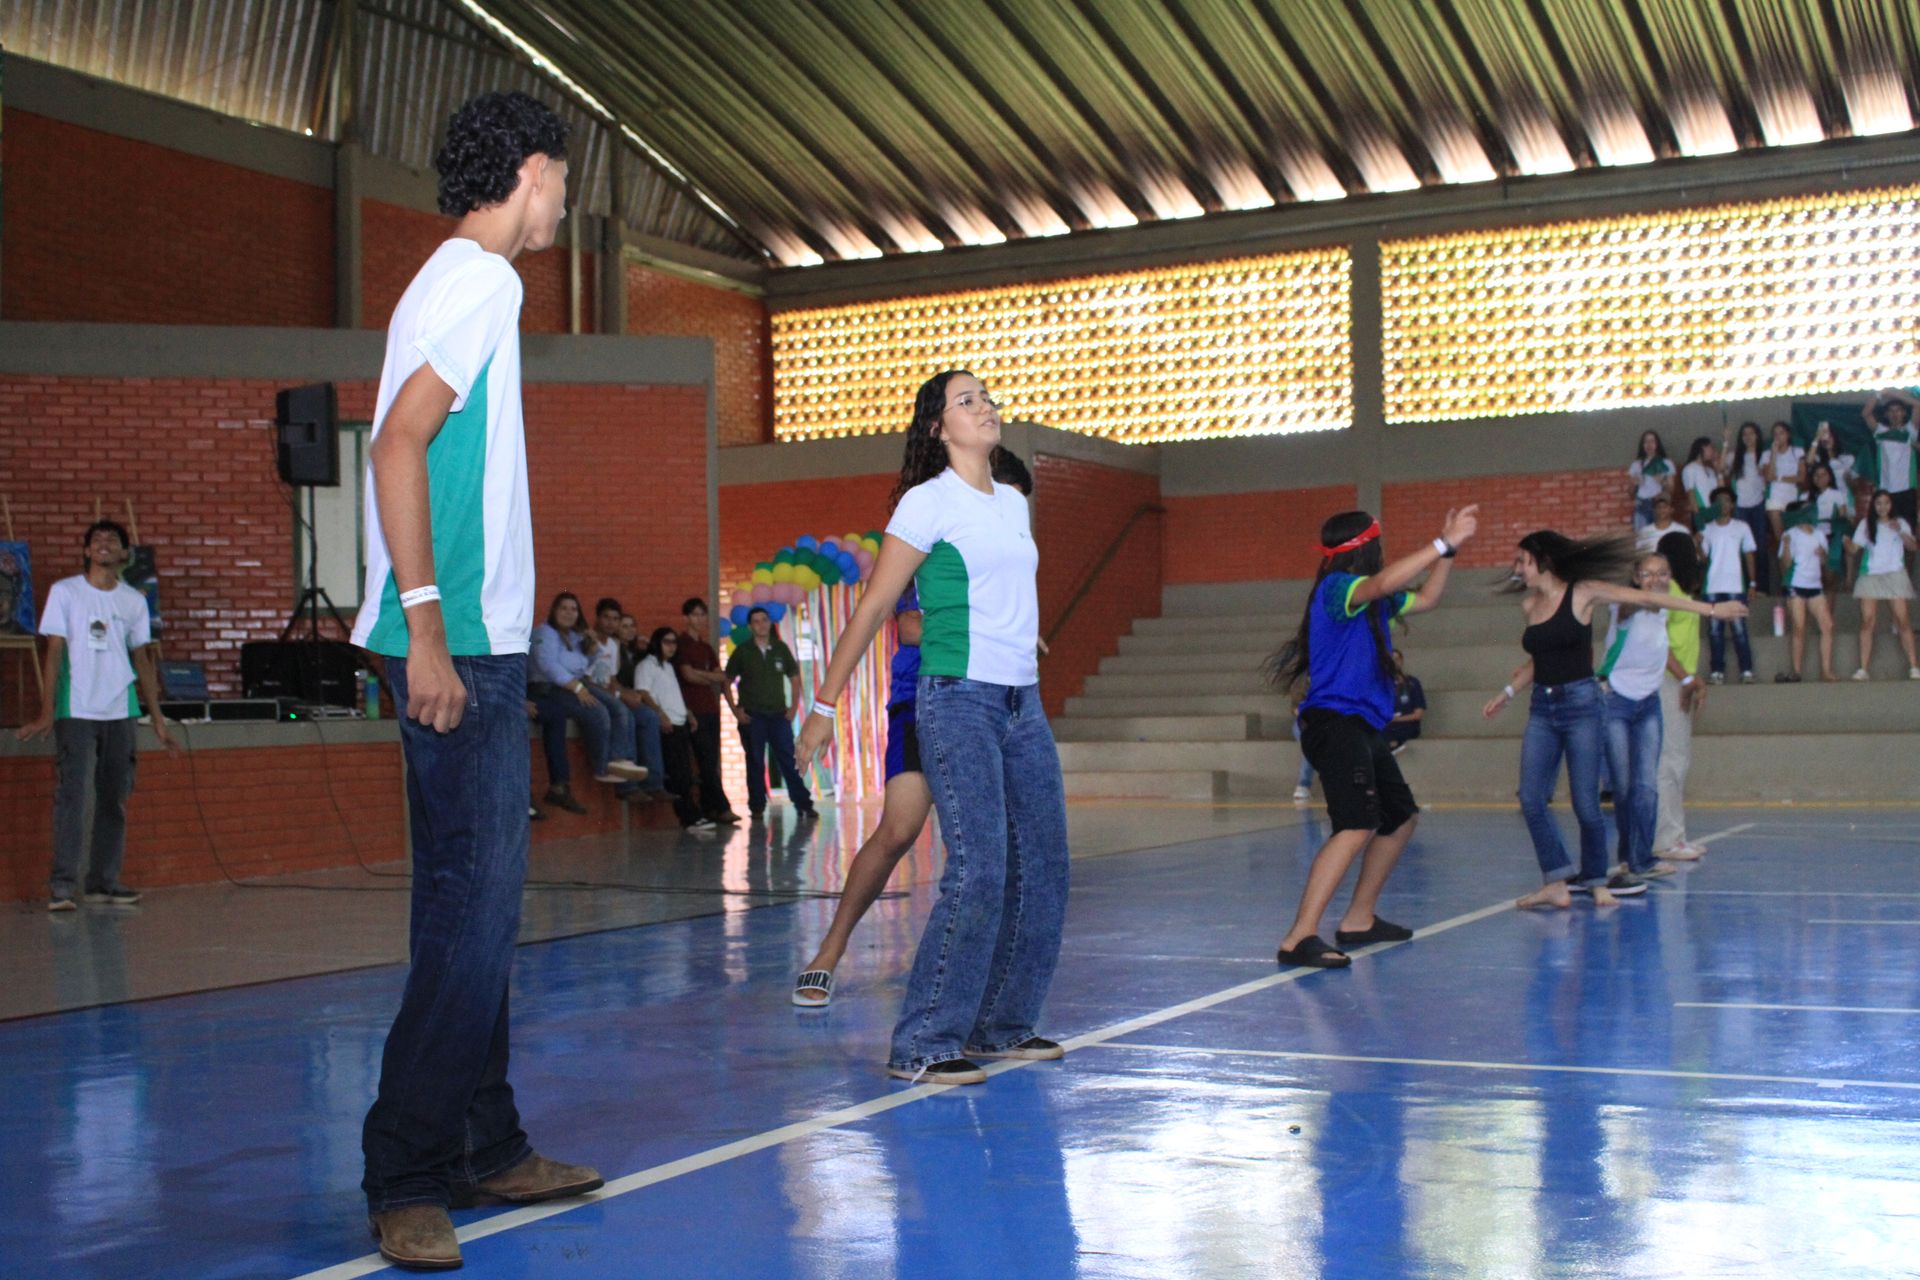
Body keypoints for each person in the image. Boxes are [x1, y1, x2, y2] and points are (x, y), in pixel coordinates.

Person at [345, 91, 599, 1271]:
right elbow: (395, 442)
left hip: (466, 634)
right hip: (460, 643)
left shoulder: (450, 281)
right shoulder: (482, 280)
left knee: (467, 909)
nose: (564, 205)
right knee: (475, 910)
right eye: (563, 182)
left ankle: (485, 1140)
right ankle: (405, 1169)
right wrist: (431, 631)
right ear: (532, 170)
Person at [797, 369, 1068, 1086]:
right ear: (937, 428)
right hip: (958, 698)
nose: (985, 407)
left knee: (1044, 866)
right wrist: (824, 707)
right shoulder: (927, 501)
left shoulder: (1013, 501)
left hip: (1022, 701)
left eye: (987, 397)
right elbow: (874, 607)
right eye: (966, 401)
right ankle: (924, 1039)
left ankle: (1002, 1024)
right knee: (979, 868)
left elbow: (1006, 593)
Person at [1267, 505, 1481, 968]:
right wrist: (1440, 543)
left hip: (1364, 726)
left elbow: (1427, 599)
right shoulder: (1338, 587)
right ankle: (1298, 937)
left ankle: (1359, 919)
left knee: (1399, 817)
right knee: (1355, 823)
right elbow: (1381, 583)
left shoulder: (1375, 601)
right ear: (1367, 547)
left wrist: (1449, 552)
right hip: (1335, 723)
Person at [1483, 530, 1741, 911]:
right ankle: (1556, 880)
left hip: (1582, 705)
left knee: (1586, 804)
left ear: (1544, 560)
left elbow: (1646, 597)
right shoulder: (1529, 606)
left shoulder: (1583, 592)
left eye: (1523, 560)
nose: (1517, 568)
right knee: (1532, 798)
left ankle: (1595, 880)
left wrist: (1712, 610)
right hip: (1542, 707)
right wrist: (1507, 692)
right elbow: (1540, 660)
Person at [17, 519, 178, 910]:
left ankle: (102, 883)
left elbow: (142, 659)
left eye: (113, 539)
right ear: (87, 550)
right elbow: (53, 653)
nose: (105, 543)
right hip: (77, 709)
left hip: (121, 710)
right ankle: (62, 886)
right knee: (73, 797)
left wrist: (157, 718)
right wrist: (47, 711)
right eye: (97, 539)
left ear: (124, 553)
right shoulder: (65, 592)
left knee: (113, 799)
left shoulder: (133, 600)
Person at [792, 587, 931, 1006]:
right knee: (897, 830)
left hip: (981, 703)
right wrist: (994, 631)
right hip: (918, 702)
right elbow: (911, 628)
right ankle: (830, 948)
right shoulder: (919, 560)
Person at [1596, 553, 1683, 882]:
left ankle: (1641, 858)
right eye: (1648, 574)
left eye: (1662, 574)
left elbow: (1661, 650)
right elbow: (1631, 607)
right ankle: (1627, 855)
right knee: (1623, 786)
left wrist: (1687, 677)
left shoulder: (1664, 610)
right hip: (1616, 701)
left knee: (1646, 786)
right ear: (1635, 578)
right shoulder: (1623, 606)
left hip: (1648, 704)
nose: (1655, 580)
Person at [529, 593, 647, 804]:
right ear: (554, 610)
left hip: (577, 683)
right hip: (550, 687)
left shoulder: (575, 636)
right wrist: (576, 688)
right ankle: (602, 767)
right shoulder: (545, 632)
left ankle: (618, 759)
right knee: (597, 711)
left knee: (619, 709)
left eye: (573, 609)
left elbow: (584, 664)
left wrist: (592, 649)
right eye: (563, 608)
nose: (569, 613)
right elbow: (548, 666)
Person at [726, 606, 818, 819]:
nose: (761, 625)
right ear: (750, 626)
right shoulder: (743, 651)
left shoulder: (780, 648)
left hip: (778, 716)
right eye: (756, 621)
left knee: (789, 760)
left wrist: (793, 708)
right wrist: (735, 711)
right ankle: (757, 807)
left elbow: (795, 678)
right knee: (755, 762)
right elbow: (726, 681)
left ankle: (804, 804)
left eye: (764, 620)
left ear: (770, 623)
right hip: (752, 716)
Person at [1652, 531, 1708, 862]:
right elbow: (1660, 643)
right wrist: (1685, 678)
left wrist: (1692, 678)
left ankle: (1674, 835)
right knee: (1669, 760)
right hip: (1667, 681)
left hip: (1680, 680)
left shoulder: (1683, 592)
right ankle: (1666, 839)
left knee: (1678, 759)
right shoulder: (1668, 592)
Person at [633, 627, 713, 830]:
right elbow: (643, 693)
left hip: (680, 722)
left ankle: (692, 814)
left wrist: (688, 713)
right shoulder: (646, 666)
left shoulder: (668, 667)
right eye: (666, 642)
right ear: (656, 643)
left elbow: (673, 695)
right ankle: (689, 817)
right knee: (678, 774)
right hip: (667, 725)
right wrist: (660, 714)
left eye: (674, 642)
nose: (671, 647)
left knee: (685, 771)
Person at [588, 597, 667, 799]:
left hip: (609, 693)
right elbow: (586, 678)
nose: (610, 623)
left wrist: (626, 692)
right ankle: (626, 784)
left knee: (648, 716)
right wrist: (619, 695)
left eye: (615, 619)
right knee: (626, 716)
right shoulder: (588, 641)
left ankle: (653, 783)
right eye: (606, 617)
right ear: (597, 618)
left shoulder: (613, 646)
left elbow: (612, 679)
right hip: (589, 692)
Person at [673, 598, 743, 825]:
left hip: (711, 708)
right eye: (695, 615)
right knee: (703, 758)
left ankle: (709, 807)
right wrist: (706, 677)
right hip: (692, 710)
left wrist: (701, 675)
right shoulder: (681, 645)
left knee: (711, 760)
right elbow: (687, 675)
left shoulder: (706, 648)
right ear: (686, 618)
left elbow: (720, 676)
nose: (699, 619)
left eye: (702, 615)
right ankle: (721, 807)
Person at [1847, 489, 1920, 681]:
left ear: (1891, 505)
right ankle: (1863, 668)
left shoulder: (1901, 522)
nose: (1882, 507)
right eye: (1878, 503)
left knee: (1902, 620)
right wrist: (1845, 542)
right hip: (1871, 575)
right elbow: (1854, 549)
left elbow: (1913, 546)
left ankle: (1914, 666)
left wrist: (1900, 531)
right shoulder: (1865, 524)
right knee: (1867, 621)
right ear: (1874, 505)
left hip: (1895, 574)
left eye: (1886, 503)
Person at [1698, 487, 1757, 684]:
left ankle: (1746, 670)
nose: (1723, 504)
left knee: (1739, 629)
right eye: (1719, 501)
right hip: (1712, 586)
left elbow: (1749, 555)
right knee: (1715, 631)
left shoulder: (1742, 527)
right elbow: (1703, 558)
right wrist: (1697, 543)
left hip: (1735, 585)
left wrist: (1752, 583)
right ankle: (1717, 671)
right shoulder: (1707, 528)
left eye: (1727, 500)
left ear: (1732, 505)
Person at [1777, 505, 1835, 682]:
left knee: (1828, 625)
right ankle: (1796, 671)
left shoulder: (1819, 534)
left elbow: (1824, 562)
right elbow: (1785, 564)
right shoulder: (1790, 534)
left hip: (1815, 584)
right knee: (1799, 627)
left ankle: (1826, 670)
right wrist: (1787, 545)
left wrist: (1823, 554)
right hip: (1796, 583)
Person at [1725, 421, 1774, 594]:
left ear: (1757, 435)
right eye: (1744, 434)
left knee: (1760, 546)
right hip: (1740, 505)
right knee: (1743, 547)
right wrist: (1726, 442)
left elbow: (1769, 476)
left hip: (1759, 503)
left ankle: (1763, 588)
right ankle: (1746, 586)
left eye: (1751, 433)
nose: (1748, 437)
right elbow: (1721, 468)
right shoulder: (1734, 456)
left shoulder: (1764, 454)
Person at [1864, 389, 1919, 530]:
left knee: (1908, 530)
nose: (1895, 414)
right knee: (1887, 529)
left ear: (1904, 413)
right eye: (1891, 411)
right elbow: (1866, 414)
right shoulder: (1880, 431)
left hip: (1906, 490)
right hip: (1886, 490)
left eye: (1898, 410)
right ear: (1886, 414)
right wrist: (1880, 393)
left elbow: (1918, 405)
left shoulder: (1910, 430)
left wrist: (1895, 393)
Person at [1760, 420, 1806, 559]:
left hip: (1792, 498)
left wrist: (1779, 478)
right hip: (1775, 498)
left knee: (1794, 536)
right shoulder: (1767, 454)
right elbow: (1769, 476)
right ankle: (1783, 567)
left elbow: (1801, 477)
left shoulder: (1797, 451)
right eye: (1775, 434)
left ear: (1788, 434)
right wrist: (1774, 454)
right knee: (1781, 539)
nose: (1778, 437)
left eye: (1781, 433)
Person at [1807, 460, 1854, 591]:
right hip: (1814, 535)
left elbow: (1842, 516)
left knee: (1846, 537)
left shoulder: (1836, 494)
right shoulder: (1806, 496)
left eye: (1823, 474)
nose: (1820, 478)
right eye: (1816, 475)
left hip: (1833, 533)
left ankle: (1849, 579)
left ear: (1829, 476)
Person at [1626, 430, 1674, 531]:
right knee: (1642, 537)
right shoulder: (1636, 464)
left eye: (1652, 441)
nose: (1649, 444)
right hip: (1641, 504)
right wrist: (1634, 484)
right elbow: (1630, 494)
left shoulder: (1666, 463)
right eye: (1646, 441)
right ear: (1642, 445)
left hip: (1659, 505)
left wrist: (1662, 481)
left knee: (1659, 536)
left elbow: (1671, 490)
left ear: (1657, 444)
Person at [1384, 652, 1426, 754]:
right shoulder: (1382, 684)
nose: (1394, 662)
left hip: (1407, 725)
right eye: (1391, 660)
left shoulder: (1412, 683)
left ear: (1402, 661)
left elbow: (1418, 715)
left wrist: (1396, 719)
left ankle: (1392, 747)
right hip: (1386, 724)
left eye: (1396, 659)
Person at [1680, 436, 1721, 531]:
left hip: (1714, 511)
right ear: (1703, 448)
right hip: (1702, 512)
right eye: (1711, 448)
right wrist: (1698, 515)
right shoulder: (1690, 469)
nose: (1713, 451)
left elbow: (1719, 490)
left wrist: (1718, 471)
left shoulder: (1710, 470)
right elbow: (1691, 493)